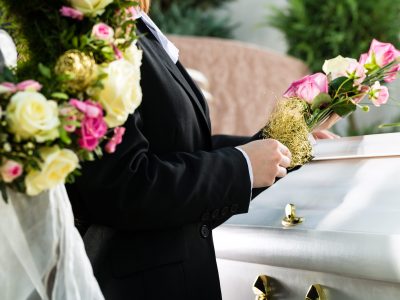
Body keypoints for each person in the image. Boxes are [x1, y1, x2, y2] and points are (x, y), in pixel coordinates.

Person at [66, 1, 332, 299]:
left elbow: (183, 150)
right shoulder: (91, 34)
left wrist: (286, 140)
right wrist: (241, 166)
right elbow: (123, 186)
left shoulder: (134, 25)